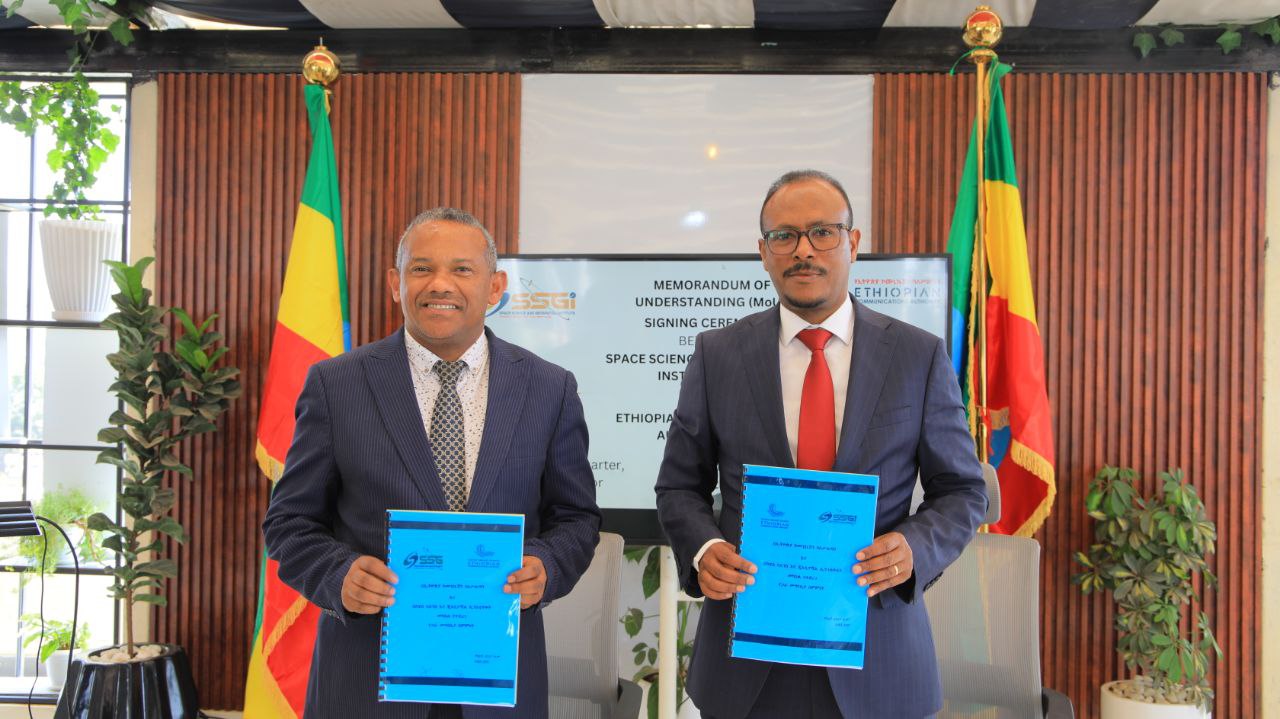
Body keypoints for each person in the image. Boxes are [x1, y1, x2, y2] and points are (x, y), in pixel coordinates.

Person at [655, 170, 987, 719]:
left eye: (822, 232)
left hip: (878, 657)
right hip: (747, 656)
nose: (803, 250)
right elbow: (678, 486)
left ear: (852, 243)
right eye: (784, 236)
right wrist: (704, 549)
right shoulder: (718, 355)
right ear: (763, 252)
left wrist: (913, 549)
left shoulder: (917, 357)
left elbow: (963, 491)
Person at [263, 207, 601, 719]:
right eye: (422, 268)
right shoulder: (336, 385)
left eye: (462, 269)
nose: (440, 284)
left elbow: (577, 519)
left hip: (498, 683)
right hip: (366, 685)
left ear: (495, 287)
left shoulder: (549, 388)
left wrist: (546, 567)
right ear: (395, 283)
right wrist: (338, 573)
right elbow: (289, 523)